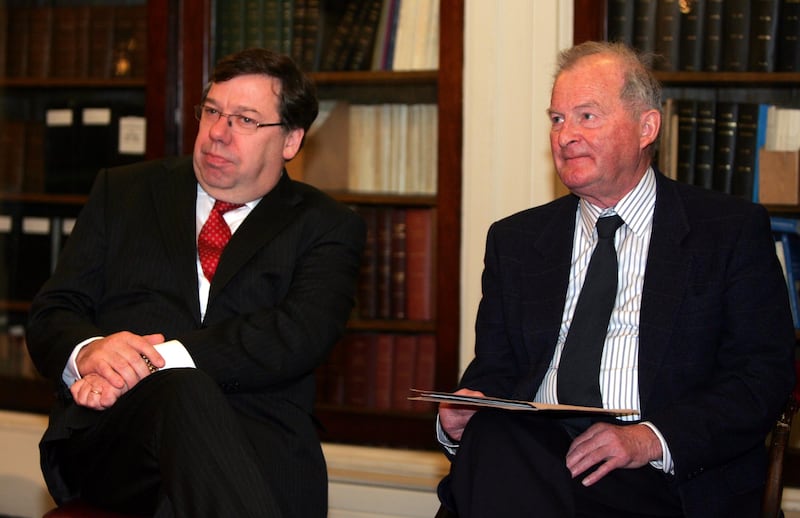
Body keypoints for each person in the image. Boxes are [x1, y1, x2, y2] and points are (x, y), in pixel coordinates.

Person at [435, 41, 795, 518]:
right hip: (532, 459)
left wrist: (648, 439)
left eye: (587, 116)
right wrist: (461, 418)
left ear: (647, 127)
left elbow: (760, 378)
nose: (565, 136)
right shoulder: (517, 241)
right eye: (557, 119)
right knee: (499, 435)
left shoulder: (726, 232)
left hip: (660, 479)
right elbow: (495, 374)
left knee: (496, 463)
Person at [26, 48, 365, 518]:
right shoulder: (123, 192)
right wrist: (90, 352)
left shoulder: (326, 226)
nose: (218, 134)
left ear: (290, 140)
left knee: (185, 387)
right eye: (211, 111)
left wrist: (151, 359)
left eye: (245, 120)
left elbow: (299, 334)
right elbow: (52, 311)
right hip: (121, 443)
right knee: (180, 392)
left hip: (258, 450)